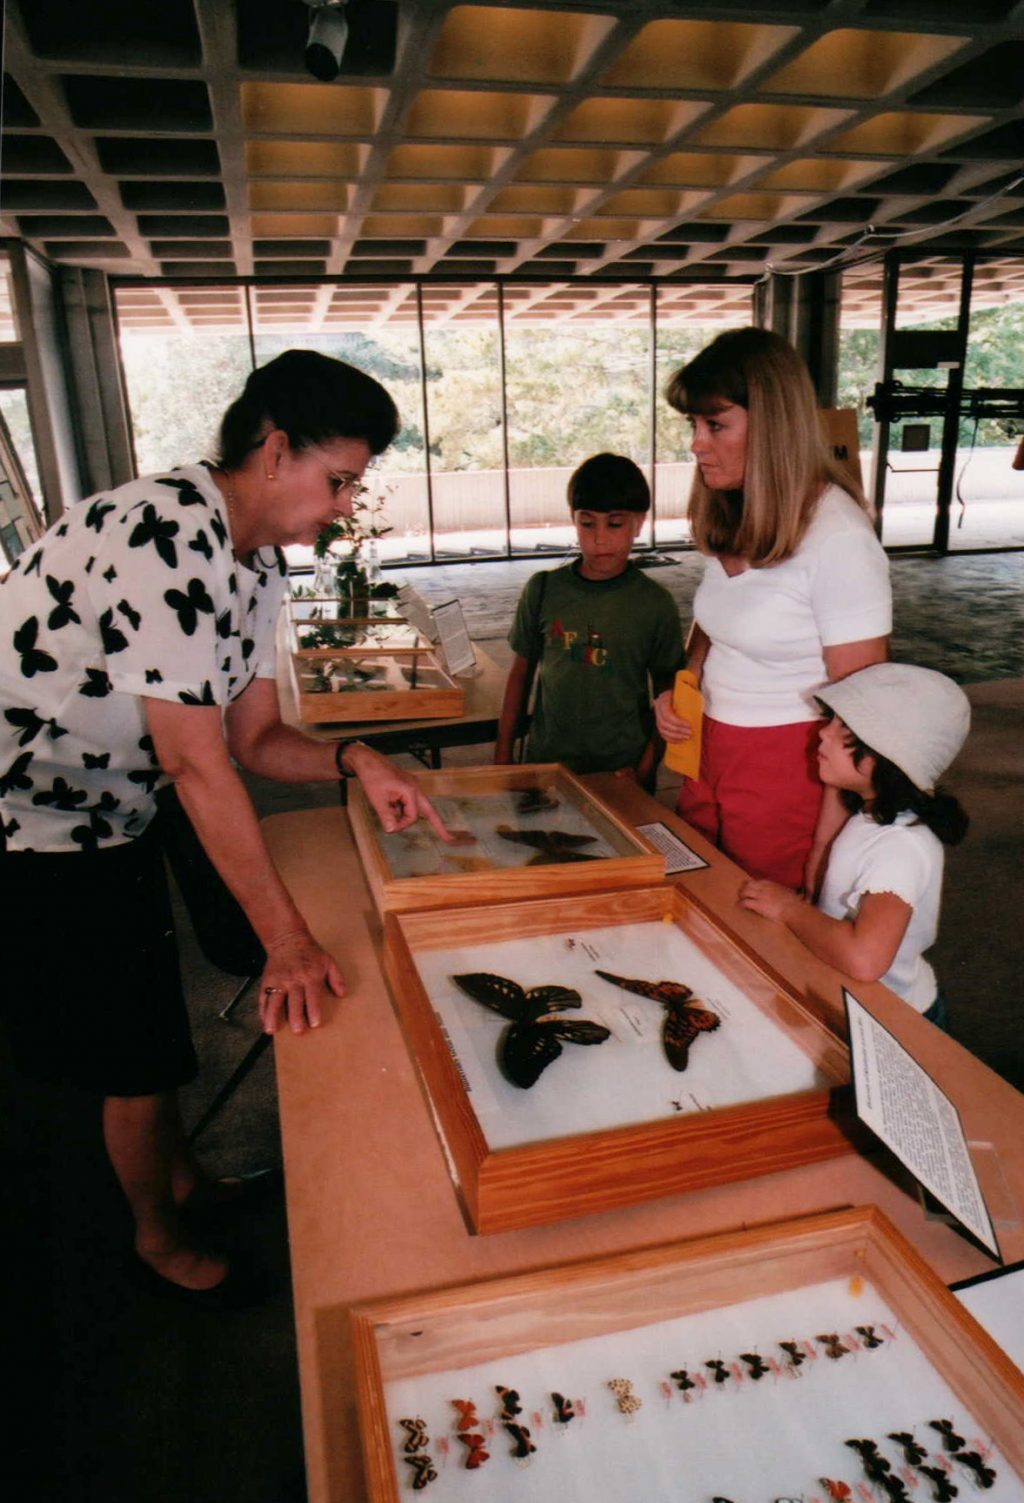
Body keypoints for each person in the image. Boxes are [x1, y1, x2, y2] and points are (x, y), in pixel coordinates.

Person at [0, 349, 448, 1307]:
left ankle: (178, 1178)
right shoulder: (163, 531)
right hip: (30, 812)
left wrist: (355, 760)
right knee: (135, 1042)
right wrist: (286, 938)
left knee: (155, 1008)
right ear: (275, 450)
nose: (342, 504)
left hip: (110, 801)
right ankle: (154, 1239)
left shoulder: (252, 565)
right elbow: (194, 761)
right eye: (339, 480)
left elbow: (253, 737)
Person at [654, 327, 892, 892]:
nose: (696, 443)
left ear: (772, 427)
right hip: (709, 747)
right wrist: (682, 687)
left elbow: (866, 718)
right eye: (693, 425)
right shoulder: (738, 510)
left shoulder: (838, 538)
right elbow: (715, 622)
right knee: (699, 896)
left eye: (715, 424)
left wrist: (826, 845)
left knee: (761, 930)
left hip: (790, 765)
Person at [739, 663, 970, 1026]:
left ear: (891, 757)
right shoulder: (875, 816)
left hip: (894, 1019)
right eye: (831, 720)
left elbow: (865, 959)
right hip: (866, 999)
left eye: (845, 730)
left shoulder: (900, 848)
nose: (823, 734)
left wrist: (789, 910)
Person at [494, 452, 683, 786]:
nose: (599, 538)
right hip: (546, 766)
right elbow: (520, 677)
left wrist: (645, 770)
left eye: (614, 523)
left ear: (639, 523)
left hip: (621, 772)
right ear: (573, 519)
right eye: (587, 523)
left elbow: (668, 693)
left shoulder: (655, 604)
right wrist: (503, 756)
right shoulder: (542, 590)